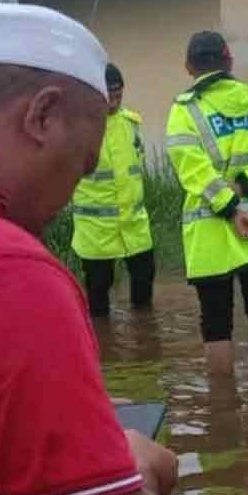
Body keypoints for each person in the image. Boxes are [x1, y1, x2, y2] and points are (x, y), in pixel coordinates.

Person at [0, 3, 177, 495]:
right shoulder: (2, 269)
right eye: (81, 164)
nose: (71, 190)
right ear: (42, 115)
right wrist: (133, 461)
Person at [166, 31, 248, 374]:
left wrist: (228, 205)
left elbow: (192, 168)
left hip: (210, 229)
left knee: (216, 323)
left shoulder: (185, 109)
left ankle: (221, 409)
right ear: (229, 61)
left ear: (189, 67)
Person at [71, 62, 155, 317]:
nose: (114, 102)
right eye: (108, 95)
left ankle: (144, 344)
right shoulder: (79, 129)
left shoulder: (131, 124)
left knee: (144, 288)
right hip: (96, 232)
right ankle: (102, 350)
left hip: (135, 226)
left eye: (118, 95)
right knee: (98, 298)